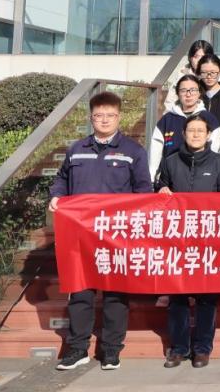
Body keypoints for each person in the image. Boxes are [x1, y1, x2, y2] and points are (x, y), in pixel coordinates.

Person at [52, 92, 151, 372]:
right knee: (80, 292)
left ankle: (111, 350)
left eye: (110, 115)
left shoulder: (133, 151)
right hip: (79, 235)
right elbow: (61, 179)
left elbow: (143, 190)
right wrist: (57, 196)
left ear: (119, 117)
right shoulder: (76, 149)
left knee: (115, 294)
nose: (104, 120)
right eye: (99, 115)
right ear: (91, 117)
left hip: (115, 235)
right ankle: (77, 349)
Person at [154, 113, 220, 369]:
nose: (196, 134)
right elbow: (160, 190)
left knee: (206, 297)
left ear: (209, 135)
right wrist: (162, 191)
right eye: (191, 130)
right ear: (183, 134)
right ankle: (178, 348)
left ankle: (202, 349)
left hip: (208, 239)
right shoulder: (170, 161)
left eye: (201, 130)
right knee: (177, 296)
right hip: (177, 239)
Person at [148, 74, 220, 180]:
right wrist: (151, 177)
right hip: (170, 176)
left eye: (193, 90)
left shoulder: (209, 119)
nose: (188, 94)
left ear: (199, 93)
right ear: (178, 93)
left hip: (201, 176)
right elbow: (155, 151)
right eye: (183, 90)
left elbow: (215, 149)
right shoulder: (167, 119)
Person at [164, 39, 215, 112]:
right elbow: (170, 102)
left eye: (203, 57)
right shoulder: (183, 74)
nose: (199, 60)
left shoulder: (217, 73)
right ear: (190, 58)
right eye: (196, 56)